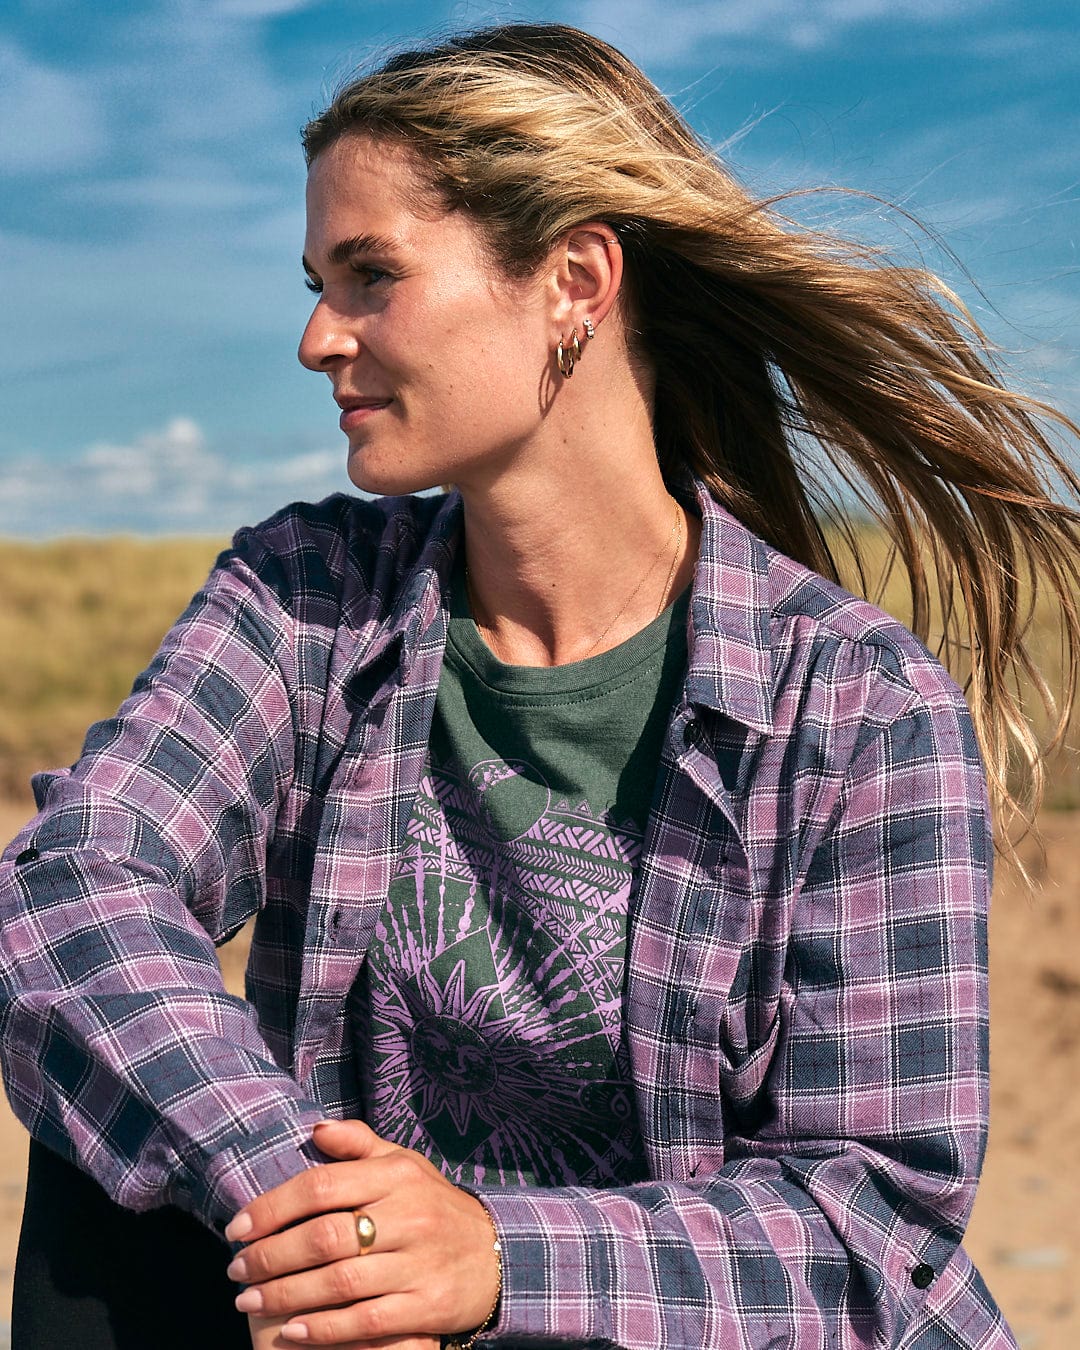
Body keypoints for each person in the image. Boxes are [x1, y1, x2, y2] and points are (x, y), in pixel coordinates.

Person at [2, 20, 1078, 1350]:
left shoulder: (854, 706)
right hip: (386, 1319)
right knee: (113, 1144)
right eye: (314, 281)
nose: (317, 339)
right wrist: (314, 1205)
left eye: (370, 275)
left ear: (572, 279)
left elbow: (871, 1228)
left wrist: (494, 1257)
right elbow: (74, 882)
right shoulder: (306, 599)